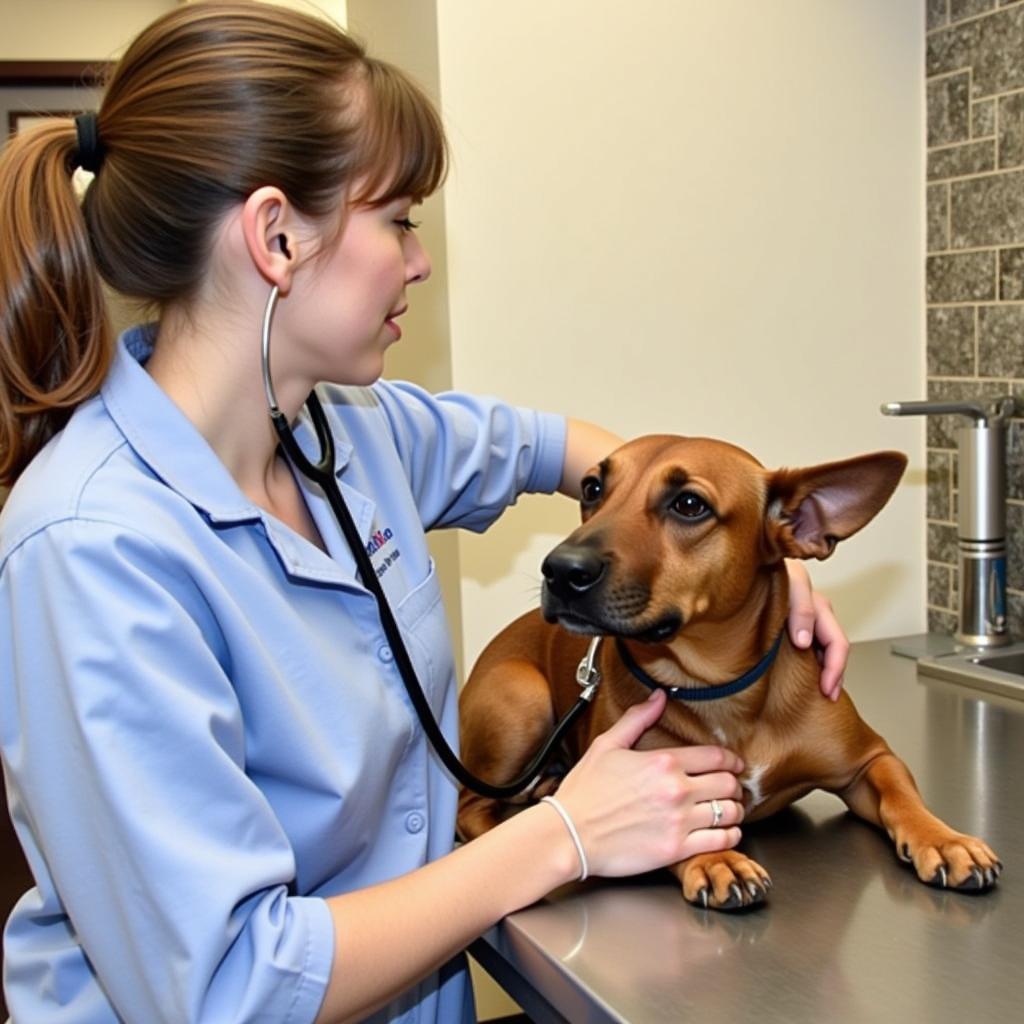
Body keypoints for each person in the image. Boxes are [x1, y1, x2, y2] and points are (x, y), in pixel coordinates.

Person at [0, 3, 848, 1022]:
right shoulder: (92, 551)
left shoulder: (351, 430)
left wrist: (749, 548)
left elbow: (565, 447)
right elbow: (232, 987)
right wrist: (563, 835)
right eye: (398, 219)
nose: (419, 260)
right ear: (275, 236)